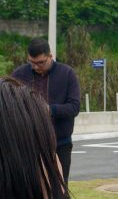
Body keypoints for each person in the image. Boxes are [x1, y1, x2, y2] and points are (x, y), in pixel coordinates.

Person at [12, 38, 80, 184]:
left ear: (50, 56)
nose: (36, 66)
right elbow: (9, 106)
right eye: (32, 62)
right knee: (30, 189)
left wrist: (50, 109)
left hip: (60, 145)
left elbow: (74, 107)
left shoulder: (67, 73)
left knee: (60, 190)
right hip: (28, 145)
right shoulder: (18, 75)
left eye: (40, 62)